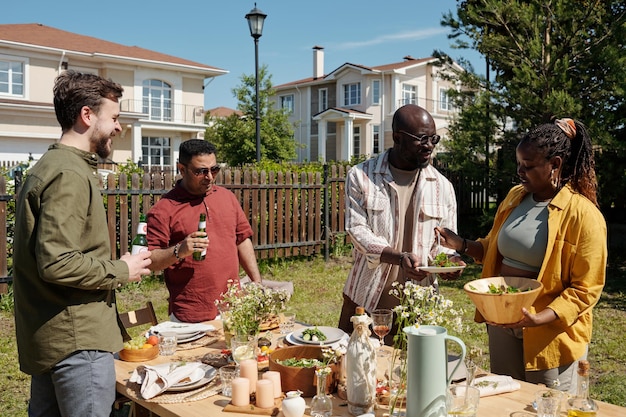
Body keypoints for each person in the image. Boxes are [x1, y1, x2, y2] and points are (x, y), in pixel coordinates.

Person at [13, 70, 152, 417]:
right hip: (78, 344)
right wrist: (123, 269)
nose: (119, 128)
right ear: (87, 115)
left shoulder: (50, 166)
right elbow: (57, 262)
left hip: (53, 336)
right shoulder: (69, 173)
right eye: (114, 118)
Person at [436, 118, 607, 392]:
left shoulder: (584, 215)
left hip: (549, 331)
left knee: (546, 405)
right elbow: (494, 247)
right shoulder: (517, 196)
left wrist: (540, 318)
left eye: (528, 166)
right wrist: (463, 244)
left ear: (555, 165)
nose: (519, 172)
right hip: (502, 320)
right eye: (518, 164)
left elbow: (586, 289)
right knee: (505, 396)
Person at [338, 104, 464, 342]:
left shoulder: (442, 186)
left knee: (413, 374)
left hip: (420, 305)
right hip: (366, 299)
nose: (430, 146)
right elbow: (357, 231)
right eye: (422, 139)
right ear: (397, 137)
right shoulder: (362, 176)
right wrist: (398, 258)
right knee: (355, 371)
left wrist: (450, 262)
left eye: (433, 138)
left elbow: (444, 242)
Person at [147, 139, 262, 323]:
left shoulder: (227, 198)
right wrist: (180, 250)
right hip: (191, 314)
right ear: (182, 169)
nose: (209, 177)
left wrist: (256, 282)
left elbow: (242, 239)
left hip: (234, 306)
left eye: (214, 169)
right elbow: (151, 260)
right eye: (201, 171)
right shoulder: (164, 209)